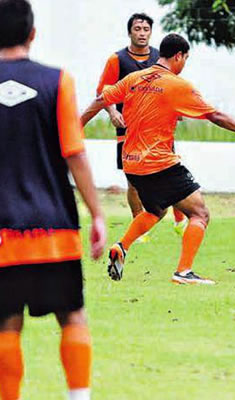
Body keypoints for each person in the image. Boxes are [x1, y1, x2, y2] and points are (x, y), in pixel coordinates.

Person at [81, 33, 235, 285]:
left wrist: (75, 127)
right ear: (179, 56)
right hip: (159, 162)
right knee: (200, 213)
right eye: (185, 59)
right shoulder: (177, 84)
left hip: (131, 162)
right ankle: (184, 271)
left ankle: (121, 246)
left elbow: (101, 99)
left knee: (155, 210)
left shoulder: (134, 78)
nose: (184, 65)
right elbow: (216, 116)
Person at [0, 1, 106, 399]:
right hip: (55, 230)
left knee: (6, 323)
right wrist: (97, 214)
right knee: (72, 315)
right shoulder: (57, 81)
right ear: (32, 34)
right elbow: (74, 152)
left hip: (3, 237)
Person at [95, 12, 187, 235]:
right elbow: (102, 91)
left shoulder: (160, 57)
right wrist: (112, 112)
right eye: (137, 29)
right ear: (130, 33)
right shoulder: (116, 60)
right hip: (127, 129)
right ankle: (140, 225)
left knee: (171, 170)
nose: (142, 33)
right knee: (134, 180)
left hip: (158, 128)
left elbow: (174, 85)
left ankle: (179, 217)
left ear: (151, 33)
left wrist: (179, 108)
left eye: (146, 29)